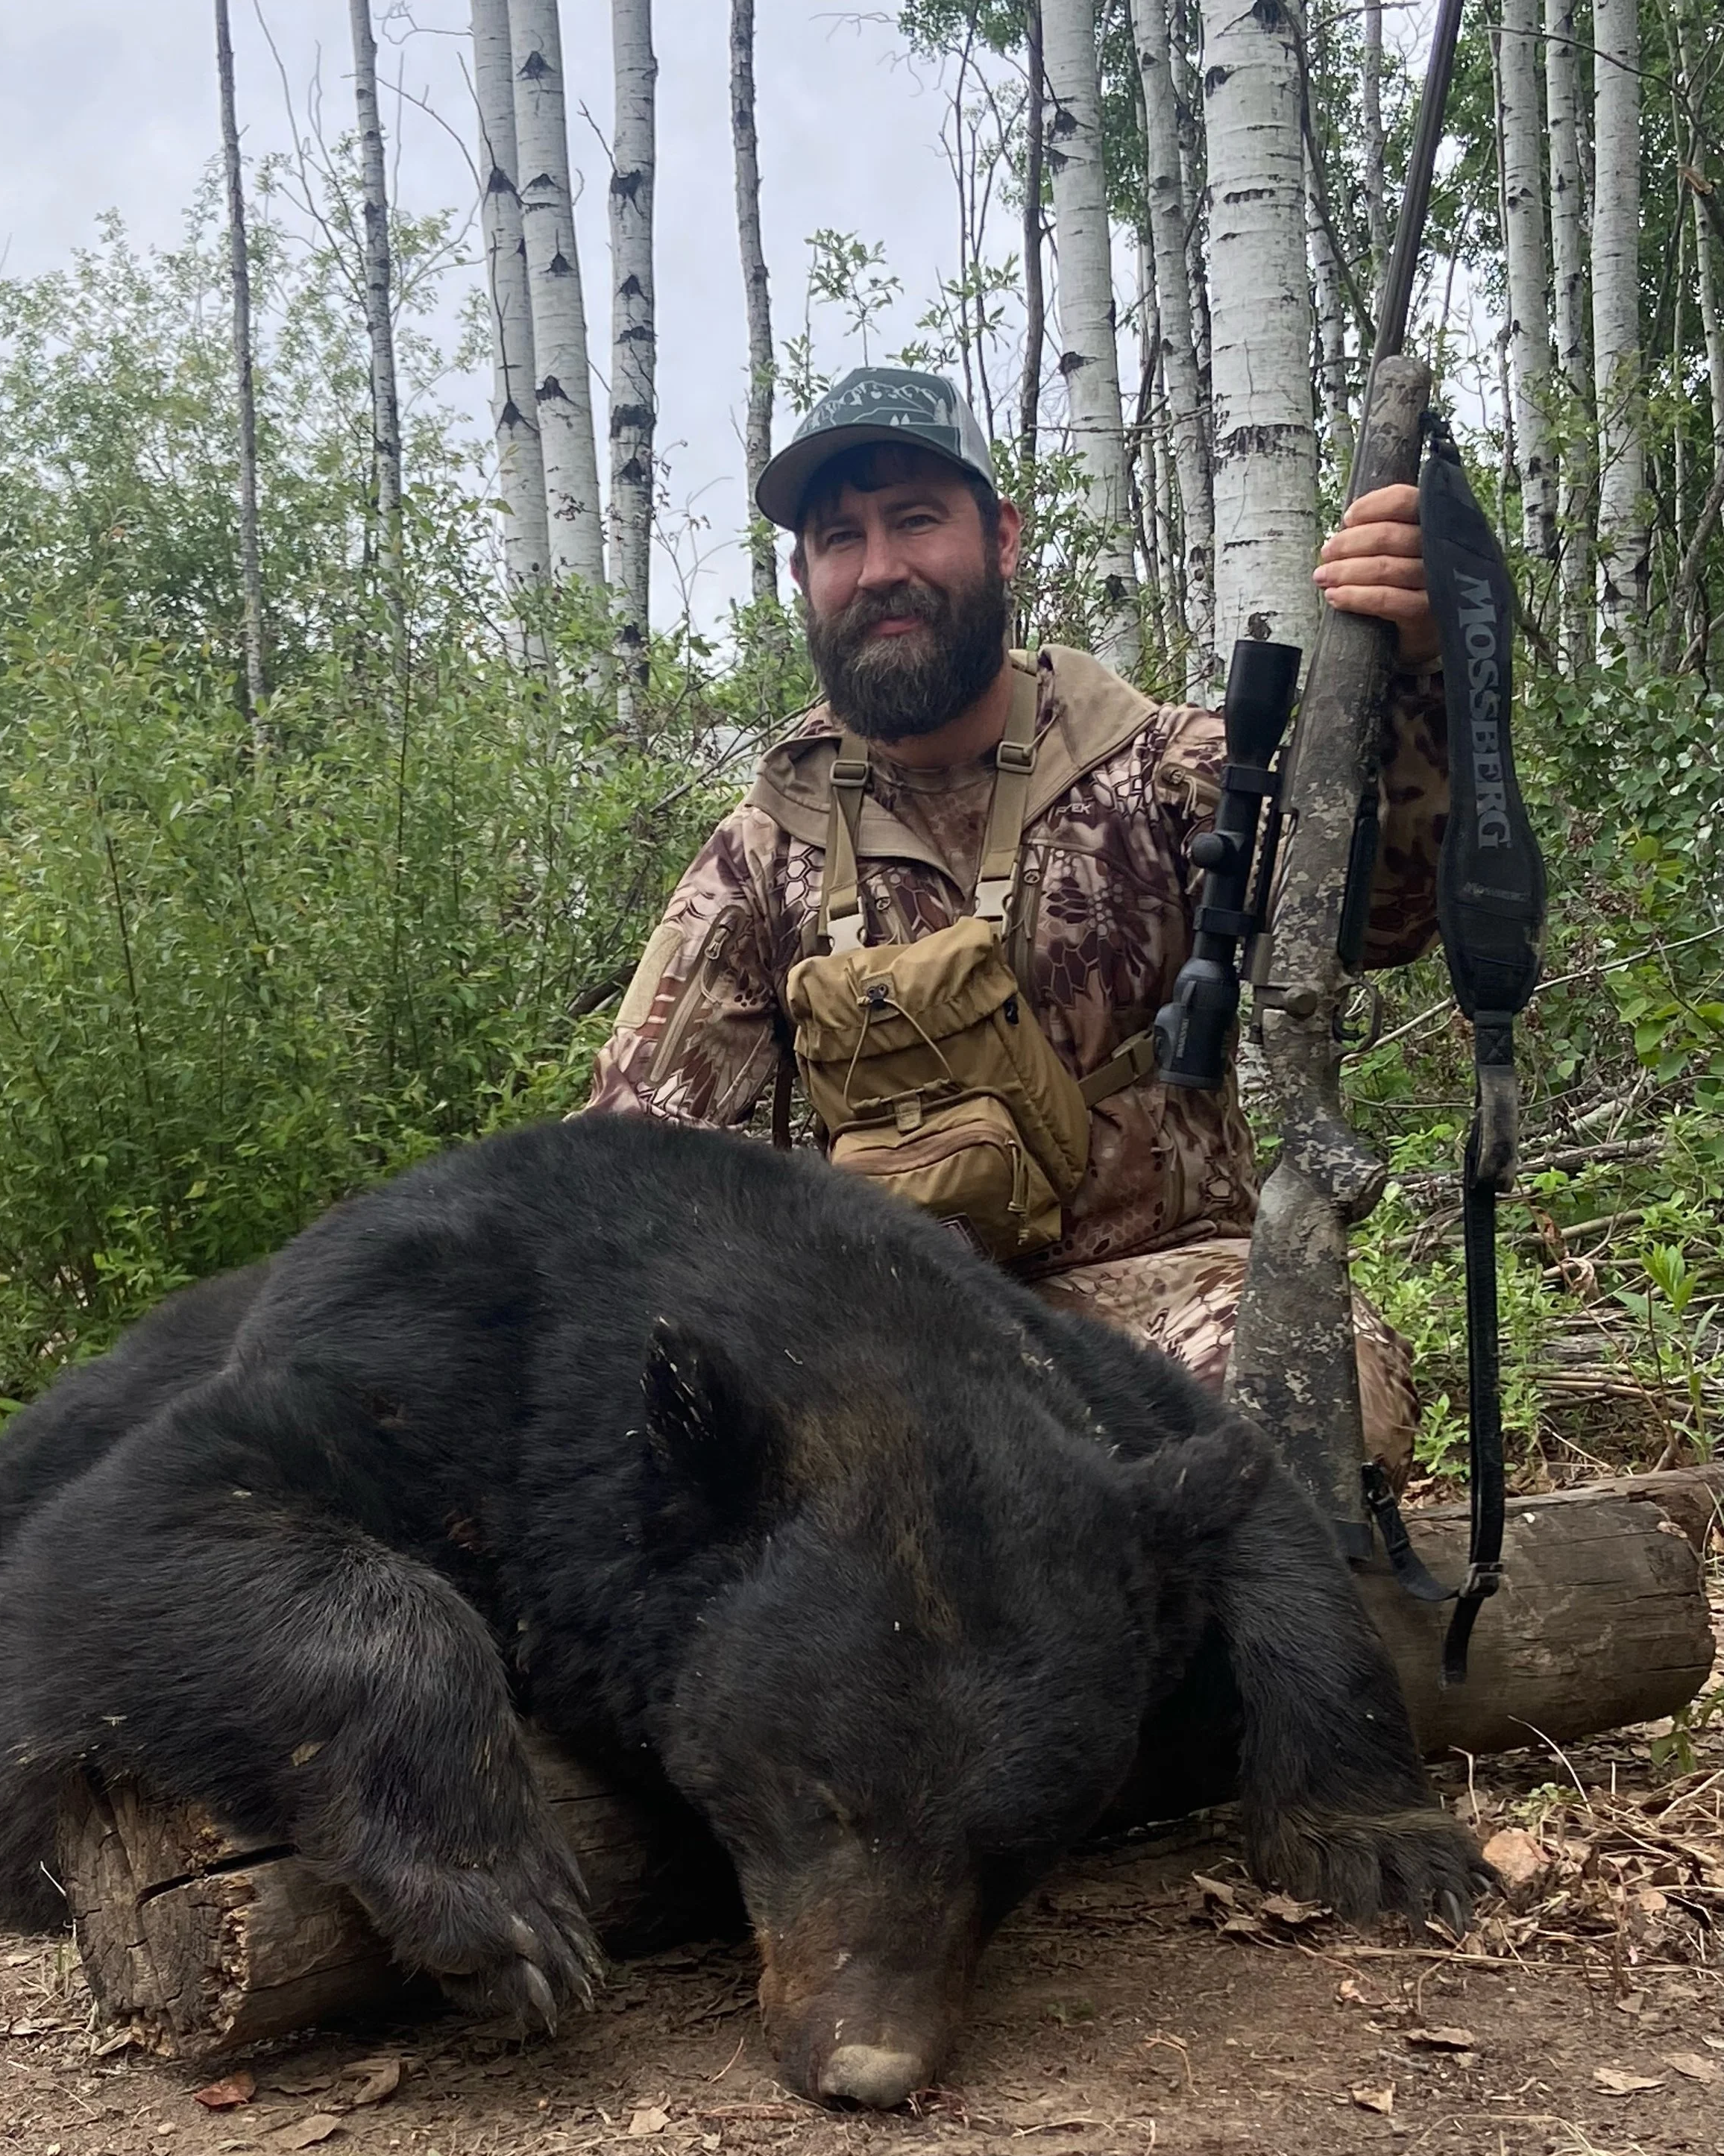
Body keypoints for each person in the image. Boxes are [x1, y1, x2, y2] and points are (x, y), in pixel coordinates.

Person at [585, 368, 1449, 1482]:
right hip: (893, 1332)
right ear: (803, 578)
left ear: (1000, 537)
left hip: (1174, 1291)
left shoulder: (1159, 769)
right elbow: (630, 1159)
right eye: (840, 538)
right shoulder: (764, 850)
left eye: (915, 520)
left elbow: (1384, 919)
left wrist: (1421, 667)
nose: (880, 568)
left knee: (1314, 1404)